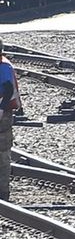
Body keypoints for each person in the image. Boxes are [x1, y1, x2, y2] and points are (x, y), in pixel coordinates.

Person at [0, 38, 21, 202]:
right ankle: (3, 192)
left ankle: (3, 192)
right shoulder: (5, 65)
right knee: (3, 153)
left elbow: (7, 91)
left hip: (2, 113)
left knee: (2, 152)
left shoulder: (4, 68)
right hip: (3, 113)